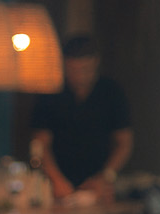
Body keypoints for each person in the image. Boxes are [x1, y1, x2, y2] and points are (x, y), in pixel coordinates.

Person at [29, 34, 132, 205]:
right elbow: (40, 144)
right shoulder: (50, 94)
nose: (79, 77)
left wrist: (105, 177)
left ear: (95, 62)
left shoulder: (111, 92)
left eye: (85, 70)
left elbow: (124, 143)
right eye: (73, 71)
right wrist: (57, 180)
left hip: (99, 183)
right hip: (57, 183)